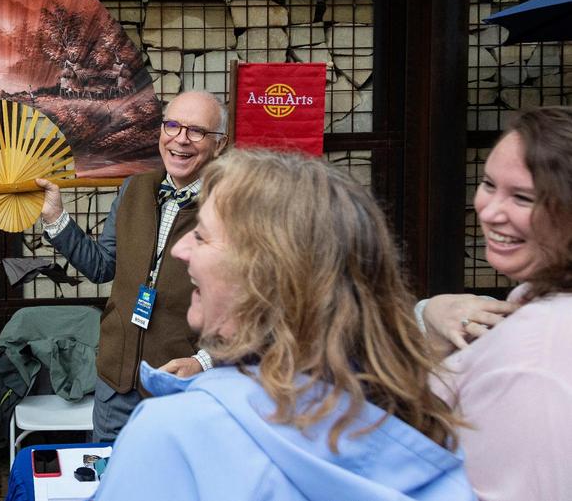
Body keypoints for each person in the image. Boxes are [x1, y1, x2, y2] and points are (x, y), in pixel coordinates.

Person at [92, 149, 474, 500]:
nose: (180, 250)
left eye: (203, 237)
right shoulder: (429, 434)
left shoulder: (171, 433)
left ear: (264, 274)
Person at [35, 90, 227, 441]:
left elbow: (259, 309)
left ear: (219, 145)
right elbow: (102, 267)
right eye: (172, 126)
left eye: (196, 131)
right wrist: (56, 218)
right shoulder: (133, 190)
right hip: (116, 384)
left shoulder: (232, 207)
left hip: (181, 387)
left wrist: (203, 363)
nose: (180, 139)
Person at [419, 106, 572, 500]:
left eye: (522, 198)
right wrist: (428, 315)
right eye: (488, 184)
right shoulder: (533, 297)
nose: (488, 211)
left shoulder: (533, 364)